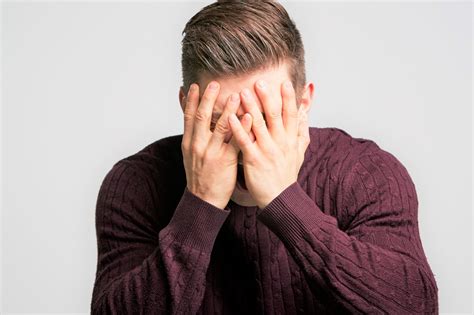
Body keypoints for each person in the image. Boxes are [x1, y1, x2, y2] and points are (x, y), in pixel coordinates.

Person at [90, 1, 439, 314]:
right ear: (187, 107)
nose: (245, 149)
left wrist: (284, 200)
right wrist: (200, 203)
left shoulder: (366, 173)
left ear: (303, 103)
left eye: (265, 122)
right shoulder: (138, 183)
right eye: (221, 125)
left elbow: (417, 307)